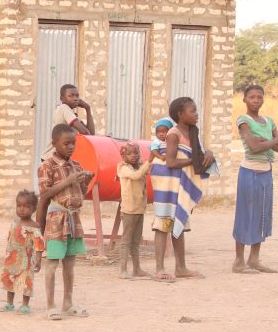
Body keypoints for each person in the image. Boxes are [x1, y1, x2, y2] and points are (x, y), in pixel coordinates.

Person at [149, 97, 217, 282]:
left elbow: (199, 154)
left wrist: (207, 155)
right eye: (192, 111)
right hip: (168, 184)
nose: (196, 114)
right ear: (180, 114)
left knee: (179, 222)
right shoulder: (173, 133)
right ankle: (159, 268)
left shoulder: (193, 132)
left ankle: (181, 267)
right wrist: (196, 159)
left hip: (181, 183)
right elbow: (171, 162)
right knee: (163, 224)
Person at [38, 124, 94, 320]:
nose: (71, 147)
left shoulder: (75, 165)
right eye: (66, 143)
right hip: (56, 219)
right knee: (53, 262)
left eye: (73, 143)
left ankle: (68, 303)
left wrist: (85, 181)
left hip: (73, 218)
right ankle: (50, 305)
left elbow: (81, 194)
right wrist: (69, 180)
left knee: (70, 263)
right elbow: (45, 194)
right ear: (54, 144)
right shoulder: (47, 166)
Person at [233, 84, 278, 274]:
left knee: (262, 215)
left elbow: (269, 147)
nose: (256, 100)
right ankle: (238, 261)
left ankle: (254, 259)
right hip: (249, 172)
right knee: (245, 213)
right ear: (244, 99)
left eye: (259, 97)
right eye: (252, 97)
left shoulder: (269, 121)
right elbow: (253, 147)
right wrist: (271, 142)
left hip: (266, 172)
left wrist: (265, 143)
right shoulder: (243, 120)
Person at [0, 190, 44, 315]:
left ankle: (25, 305)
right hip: (12, 257)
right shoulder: (14, 222)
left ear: (34, 209)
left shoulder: (34, 226)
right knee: (10, 279)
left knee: (26, 282)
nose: (22, 209)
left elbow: (39, 245)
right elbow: (10, 238)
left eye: (26, 207)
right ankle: (9, 303)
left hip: (27, 260)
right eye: (19, 206)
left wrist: (38, 260)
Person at [116, 142, 153, 279]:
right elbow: (137, 175)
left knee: (136, 241)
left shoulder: (138, 166)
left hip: (139, 209)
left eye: (136, 153)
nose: (133, 156)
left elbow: (146, 170)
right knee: (126, 241)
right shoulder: (123, 168)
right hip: (129, 210)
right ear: (123, 156)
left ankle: (137, 269)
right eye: (129, 153)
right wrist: (149, 160)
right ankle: (123, 270)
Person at [42, 84, 96, 160]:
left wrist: (88, 108)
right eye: (71, 96)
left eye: (77, 96)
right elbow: (86, 133)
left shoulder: (72, 115)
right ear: (62, 99)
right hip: (52, 158)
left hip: (61, 159)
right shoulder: (64, 108)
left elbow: (91, 135)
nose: (75, 98)